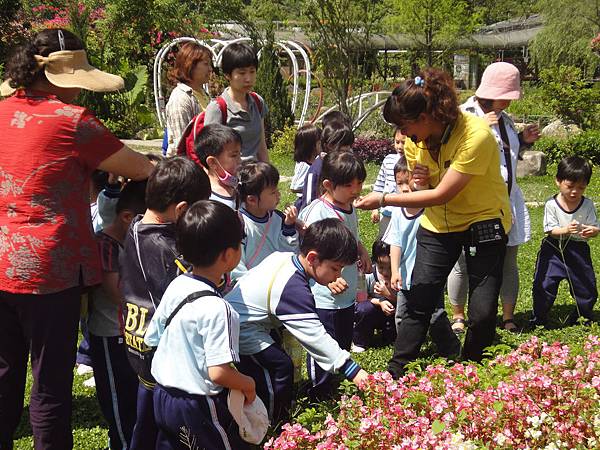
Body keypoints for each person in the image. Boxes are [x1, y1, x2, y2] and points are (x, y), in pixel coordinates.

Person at [0, 28, 153, 449]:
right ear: (58, 78)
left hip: (0, 263)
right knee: (49, 387)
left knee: (4, 377)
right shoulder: (73, 122)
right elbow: (138, 168)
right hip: (50, 268)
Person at [355, 68, 511, 376]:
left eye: (405, 124)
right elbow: (425, 191)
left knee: (481, 312)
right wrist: (418, 184)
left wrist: (384, 199)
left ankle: (471, 364)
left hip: (484, 221)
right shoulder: (416, 140)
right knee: (418, 296)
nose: (402, 133)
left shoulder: (475, 136)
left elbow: (440, 194)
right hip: (439, 225)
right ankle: (396, 371)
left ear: (427, 115)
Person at [225, 219, 369, 425]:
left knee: (275, 366)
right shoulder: (292, 289)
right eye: (336, 269)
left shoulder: (286, 259)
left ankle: (270, 409)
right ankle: (273, 424)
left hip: (249, 319)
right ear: (313, 258)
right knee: (279, 367)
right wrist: (353, 370)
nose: (338, 275)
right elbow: (315, 336)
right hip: (241, 327)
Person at [144, 200, 255, 449]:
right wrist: (249, 384)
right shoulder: (219, 309)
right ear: (229, 255)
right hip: (196, 405)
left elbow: (153, 337)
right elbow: (219, 372)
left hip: (162, 396)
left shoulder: (178, 284)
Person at [119, 157, 211, 450]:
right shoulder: (166, 250)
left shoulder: (135, 226)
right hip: (159, 357)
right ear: (182, 210)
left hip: (137, 343)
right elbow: (191, 294)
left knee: (143, 425)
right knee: (158, 428)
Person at [447, 62, 541, 333]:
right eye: (507, 95)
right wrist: (480, 128)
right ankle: (458, 315)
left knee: (508, 260)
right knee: (463, 261)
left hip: (507, 201)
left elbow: (503, 155)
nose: (511, 101)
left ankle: (508, 317)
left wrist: (523, 139)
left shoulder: (505, 118)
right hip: (473, 202)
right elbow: (455, 153)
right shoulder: (465, 115)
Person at [298, 151, 370, 400]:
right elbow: (307, 252)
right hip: (323, 295)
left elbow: (353, 234)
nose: (356, 189)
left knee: (341, 338)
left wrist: (362, 250)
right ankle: (319, 390)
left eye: (359, 183)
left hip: (346, 292)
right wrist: (328, 281)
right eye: (349, 185)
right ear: (328, 185)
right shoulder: (317, 212)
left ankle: (338, 382)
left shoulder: (348, 207)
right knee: (323, 343)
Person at [88, 180, 147, 449]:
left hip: (135, 335)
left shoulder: (133, 240)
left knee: (137, 402)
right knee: (119, 404)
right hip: (111, 337)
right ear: (127, 218)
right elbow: (117, 293)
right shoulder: (106, 245)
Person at [382, 160, 461, 359]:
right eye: (399, 184)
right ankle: (406, 350)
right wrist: (395, 270)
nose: (405, 189)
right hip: (405, 277)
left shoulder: (429, 210)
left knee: (435, 316)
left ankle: (450, 348)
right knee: (402, 316)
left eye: (409, 183)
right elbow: (396, 243)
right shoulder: (398, 212)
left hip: (428, 278)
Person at [530, 156, 599, 327]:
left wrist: (593, 231)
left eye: (581, 188)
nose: (575, 191)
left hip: (578, 250)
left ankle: (583, 315)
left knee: (586, 285)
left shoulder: (588, 204)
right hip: (553, 249)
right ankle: (539, 317)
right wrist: (566, 230)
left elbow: (594, 228)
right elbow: (550, 230)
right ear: (558, 181)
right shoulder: (552, 204)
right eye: (570, 186)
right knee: (544, 283)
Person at [232, 162, 299, 282]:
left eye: (277, 189)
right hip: (250, 287)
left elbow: (288, 255)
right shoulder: (238, 224)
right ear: (252, 200)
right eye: (273, 192)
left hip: (275, 284)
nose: (279, 195)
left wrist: (289, 227)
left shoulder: (279, 218)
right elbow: (236, 268)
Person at [203, 42, 268, 162]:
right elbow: (208, 153)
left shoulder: (258, 102)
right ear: (228, 75)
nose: (248, 78)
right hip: (231, 177)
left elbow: (261, 145)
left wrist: (268, 175)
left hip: (256, 176)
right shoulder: (217, 108)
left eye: (252, 71)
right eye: (242, 73)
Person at [164, 42, 213, 157]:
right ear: (190, 65)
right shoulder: (181, 99)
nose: (210, 69)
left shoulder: (202, 94)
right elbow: (180, 145)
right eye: (206, 64)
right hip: (187, 169)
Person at [351, 240, 397, 353]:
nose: (385, 272)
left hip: (395, 314)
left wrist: (389, 295)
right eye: (381, 267)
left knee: (391, 339)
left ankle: (393, 336)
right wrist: (380, 301)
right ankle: (360, 341)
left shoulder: (400, 276)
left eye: (390, 267)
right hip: (375, 313)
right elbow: (359, 300)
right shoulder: (368, 275)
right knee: (364, 309)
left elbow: (408, 302)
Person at [299, 120, 355, 211]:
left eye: (349, 145)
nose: (348, 149)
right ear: (328, 145)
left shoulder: (340, 166)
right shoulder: (316, 170)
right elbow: (308, 203)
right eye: (344, 145)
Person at [189, 123, 242, 210]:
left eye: (240, 154)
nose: (240, 160)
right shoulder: (206, 200)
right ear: (212, 162)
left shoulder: (238, 187)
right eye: (234, 155)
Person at [370, 127, 406, 238]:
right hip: (387, 211)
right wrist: (375, 208)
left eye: (404, 143)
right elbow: (379, 185)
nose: (400, 146)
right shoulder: (388, 160)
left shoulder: (412, 162)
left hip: (404, 211)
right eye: (397, 142)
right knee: (384, 239)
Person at [290, 124, 322, 196]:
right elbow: (294, 187)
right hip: (304, 201)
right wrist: (315, 188)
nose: (322, 145)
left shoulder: (318, 161)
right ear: (311, 145)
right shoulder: (304, 165)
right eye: (319, 142)